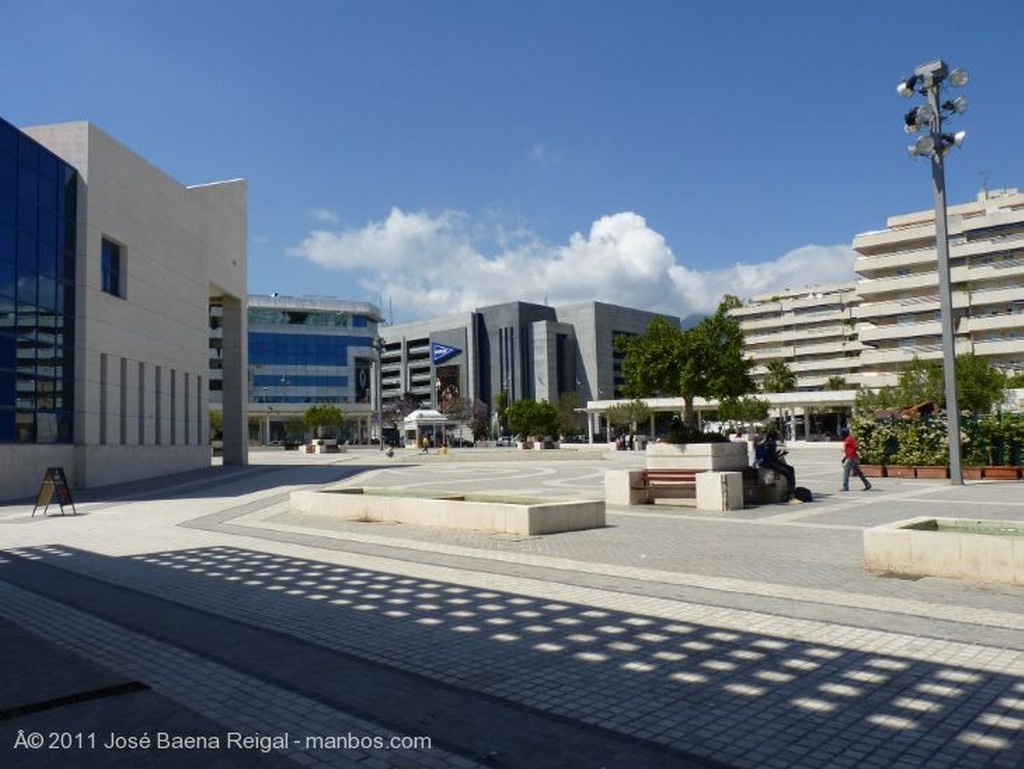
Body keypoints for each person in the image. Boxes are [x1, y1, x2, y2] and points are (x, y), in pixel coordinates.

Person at [760, 430, 798, 503]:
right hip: (770, 463)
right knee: (788, 473)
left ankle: (792, 493)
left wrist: (780, 454)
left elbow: (771, 455)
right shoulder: (771, 443)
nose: (779, 436)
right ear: (775, 436)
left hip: (770, 462)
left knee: (790, 469)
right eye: (778, 435)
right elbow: (771, 457)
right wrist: (780, 455)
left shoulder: (767, 442)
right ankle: (792, 495)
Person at [840, 427, 872, 491]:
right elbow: (848, 450)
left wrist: (860, 453)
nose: (841, 436)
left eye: (842, 434)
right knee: (859, 472)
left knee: (846, 472)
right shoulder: (847, 439)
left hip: (852, 458)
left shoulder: (849, 439)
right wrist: (844, 458)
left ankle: (845, 487)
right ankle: (867, 484)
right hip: (851, 457)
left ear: (845, 434)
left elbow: (856, 446)